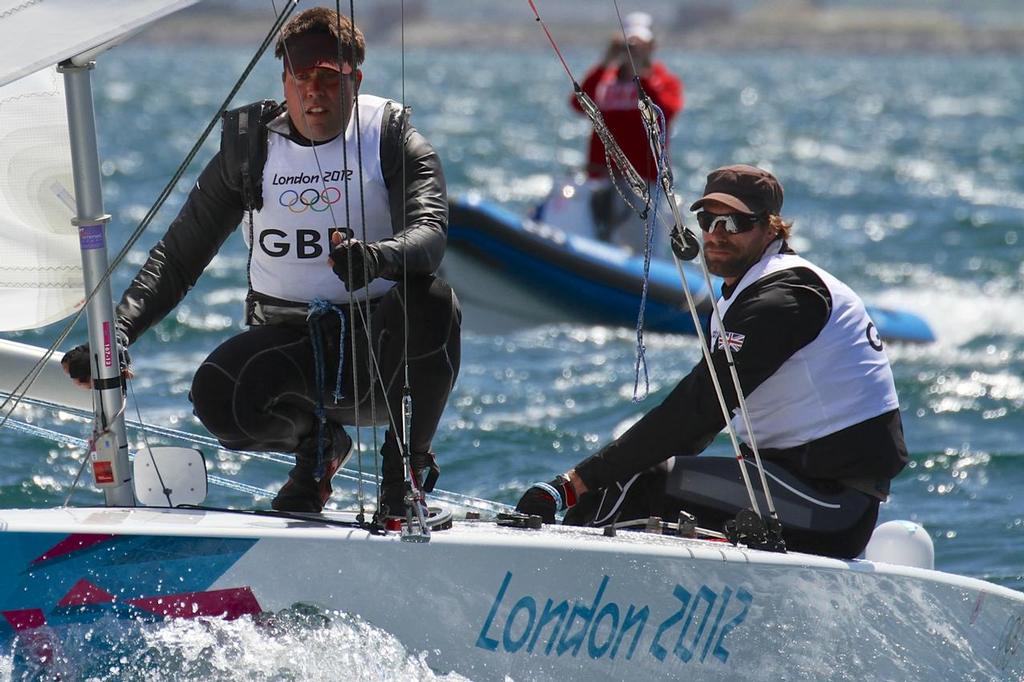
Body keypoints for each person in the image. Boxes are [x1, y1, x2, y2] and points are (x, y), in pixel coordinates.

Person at [61, 7, 460, 516]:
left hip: (380, 359)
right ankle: (319, 451)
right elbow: (179, 257)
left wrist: (376, 260)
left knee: (432, 300)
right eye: (301, 76)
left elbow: (430, 237)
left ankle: (403, 479)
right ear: (285, 80)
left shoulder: (392, 139)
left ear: (354, 80)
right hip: (296, 348)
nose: (313, 90)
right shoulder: (250, 149)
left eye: (329, 77)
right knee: (217, 394)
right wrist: (114, 334)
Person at [516, 164, 908, 559]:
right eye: (708, 220)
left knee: (635, 481)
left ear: (771, 228)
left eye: (735, 222)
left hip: (830, 508)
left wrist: (574, 483)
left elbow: (697, 412)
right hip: (788, 487)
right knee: (648, 486)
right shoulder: (747, 291)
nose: (718, 234)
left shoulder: (785, 297)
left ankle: (549, 579)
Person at [572, 11, 683, 253]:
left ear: (652, 46)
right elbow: (577, 104)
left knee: (643, 248)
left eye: (638, 46)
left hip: (644, 180)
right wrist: (605, 62)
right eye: (627, 45)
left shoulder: (663, 81)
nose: (631, 52)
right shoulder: (605, 80)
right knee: (599, 241)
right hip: (603, 177)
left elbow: (667, 112)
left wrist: (643, 75)